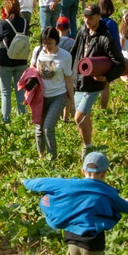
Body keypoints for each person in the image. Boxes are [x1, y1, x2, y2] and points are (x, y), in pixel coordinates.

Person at [70, 4, 125, 153]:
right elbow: (74, 52)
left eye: (90, 17)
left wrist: (106, 77)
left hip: (93, 85)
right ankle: (88, 147)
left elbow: (120, 63)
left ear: (98, 17)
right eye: (85, 16)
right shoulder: (83, 31)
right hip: (79, 81)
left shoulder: (105, 38)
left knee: (78, 116)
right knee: (84, 117)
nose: (87, 20)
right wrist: (68, 72)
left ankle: (87, 148)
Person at [27, 26, 75, 160]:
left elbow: (69, 80)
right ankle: (41, 157)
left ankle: (52, 159)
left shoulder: (65, 56)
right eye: (44, 42)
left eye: (50, 42)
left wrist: (71, 102)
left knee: (48, 127)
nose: (46, 46)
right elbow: (32, 69)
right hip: (40, 96)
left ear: (56, 41)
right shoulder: (37, 51)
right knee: (39, 130)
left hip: (58, 96)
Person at [0, 0, 30, 123]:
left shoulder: (4, 23)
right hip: (21, 60)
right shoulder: (25, 22)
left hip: (5, 61)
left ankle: (6, 119)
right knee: (20, 90)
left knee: (5, 92)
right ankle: (22, 118)